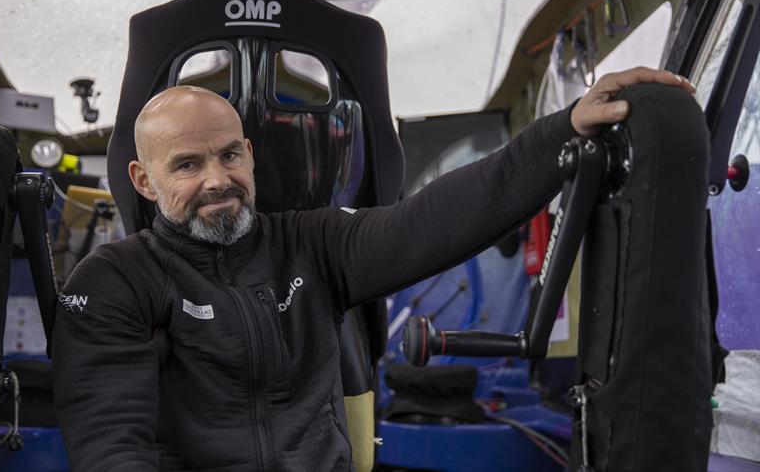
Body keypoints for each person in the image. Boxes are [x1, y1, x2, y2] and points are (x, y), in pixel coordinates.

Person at [52, 67, 695, 471]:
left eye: (228, 156)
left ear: (249, 154)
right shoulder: (115, 282)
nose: (218, 180)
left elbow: (435, 219)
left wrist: (564, 129)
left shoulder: (313, 243)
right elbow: (113, 442)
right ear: (143, 179)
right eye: (188, 165)